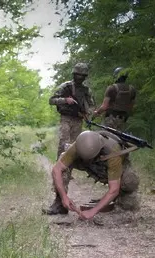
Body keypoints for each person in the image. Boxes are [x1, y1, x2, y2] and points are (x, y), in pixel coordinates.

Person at [50, 130, 141, 220]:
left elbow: (114, 189)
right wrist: (63, 197)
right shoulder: (80, 144)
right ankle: (60, 205)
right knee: (62, 160)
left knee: (130, 181)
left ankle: (120, 202)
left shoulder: (113, 151)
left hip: (106, 168)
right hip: (88, 164)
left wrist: (92, 211)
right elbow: (57, 169)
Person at [45, 62, 95, 215]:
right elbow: (52, 99)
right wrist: (65, 100)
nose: (79, 77)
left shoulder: (86, 90)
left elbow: (92, 107)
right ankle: (59, 201)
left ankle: (61, 200)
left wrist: (87, 112)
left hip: (78, 122)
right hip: (66, 121)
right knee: (63, 155)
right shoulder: (66, 86)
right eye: (77, 74)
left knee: (72, 157)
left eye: (82, 75)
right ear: (74, 74)